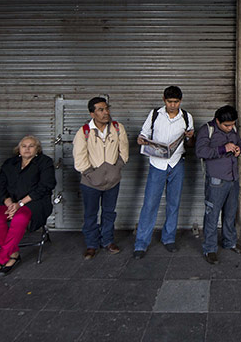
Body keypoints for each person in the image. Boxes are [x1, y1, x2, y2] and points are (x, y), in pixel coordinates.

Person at [0, 135, 55, 279]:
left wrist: (20, 204)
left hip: (34, 202)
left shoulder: (45, 162)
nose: (27, 149)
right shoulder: (9, 163)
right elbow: (0, 188)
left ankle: (0, 260)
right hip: (9, 202)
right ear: (18, 149)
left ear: (37, 149)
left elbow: (46, 186)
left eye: (31, 146)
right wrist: (10, 204)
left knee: (20, 219)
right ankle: (13, 254)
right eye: (24, 146)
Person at [133, 86, 194, 259]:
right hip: (156, 165)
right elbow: (143, 135)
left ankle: (169, 239)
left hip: (177, 164)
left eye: (176, 102)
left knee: (173, 203)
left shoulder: (187, 117)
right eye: (169, 102)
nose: (173, 105)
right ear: (164, 100)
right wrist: (141, 140)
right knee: (150, 204)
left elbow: (190, 144)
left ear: (180, 101)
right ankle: (141, 243)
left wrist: (189, 137)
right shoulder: (154, 115)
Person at [73, 97, 129, 259]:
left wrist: (115, 170)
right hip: (90, 182)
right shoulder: (84, 132)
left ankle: (108, 241)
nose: (106, 113)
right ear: (92, 113)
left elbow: (123, 153)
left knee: (109, 212)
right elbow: (79, 158)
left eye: (106, 109)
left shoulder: (118, 128)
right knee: (91, 213)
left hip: (112, 180)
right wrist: (91, 174)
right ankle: (91, 244)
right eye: (100, 110)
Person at [195, 105, 241, 264]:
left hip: (233, 178)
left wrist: (239, 149)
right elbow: (200, 152)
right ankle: (210, 249)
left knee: (231, 213)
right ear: (217, 121)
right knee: (212, 215)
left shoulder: (233, 129)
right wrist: (222, 149)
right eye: (227, 125)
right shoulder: (207, 130)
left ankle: (229, 241)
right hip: (216, 180)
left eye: (232, 124)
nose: (230, 127)